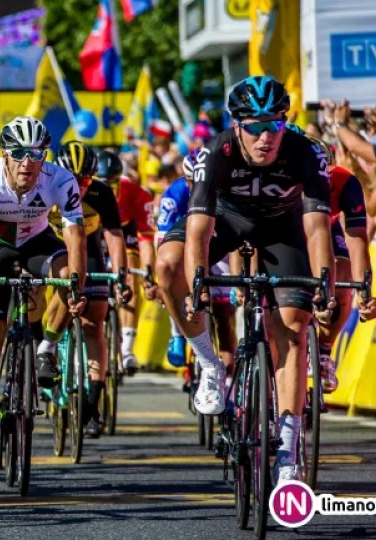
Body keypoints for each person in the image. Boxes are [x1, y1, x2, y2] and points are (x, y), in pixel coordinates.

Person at [155, 76, 336, 483]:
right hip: (227, 222)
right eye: (254, 126)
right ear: (236, 125)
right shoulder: (213, 153)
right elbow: (198, 231)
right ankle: (208, 362)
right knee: (167, 263)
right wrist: (198, 286)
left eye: (275, 123)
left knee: (291, 327)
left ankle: (288, 450)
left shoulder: (305, 151)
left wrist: (325, 284)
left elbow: (318, 229)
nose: (265, 135)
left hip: (282, 229)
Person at [0, 116, 86, 463]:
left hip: (37, 243)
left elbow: (75, 235)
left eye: (37, 154)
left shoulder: (60, 178)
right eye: (19, 153)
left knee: (67, 275)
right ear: (5, 153)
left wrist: (77, 287)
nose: (28, 162)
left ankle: (46, 346)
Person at [41, 141, 131, 439]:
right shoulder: (43, 186)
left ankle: (92, 405)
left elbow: (114, 236)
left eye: (85, 180)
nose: (79, 186)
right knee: (39, 306)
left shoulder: (101, 193)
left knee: (94, 322)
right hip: (49, 246)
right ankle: (40, 356)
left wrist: (121, 277)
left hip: (88, 248)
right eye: (73, 179)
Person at [305, 135, 375, 392]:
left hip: (329, 227)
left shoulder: (346, 182)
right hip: (289, 228)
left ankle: (324, 350)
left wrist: (364, 292)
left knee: (342, 276)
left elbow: (357, 241)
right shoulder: (282, 180)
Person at [156, 149, 236, 372]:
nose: (200, 187)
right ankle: (177, 333)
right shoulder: (174, 194)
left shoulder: (227, 190)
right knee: (171, 278)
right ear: (186, 179)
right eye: (193, 182)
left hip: (218, 242)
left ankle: (227, 378)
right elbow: (162, 239)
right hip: (185, 239)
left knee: (224, 315)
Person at [95, 150, 157, 374]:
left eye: (112, 185)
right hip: (95, 231)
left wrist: (148, 275)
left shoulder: (138, 195)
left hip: (125, 230)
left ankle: (128, 349)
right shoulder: (84, 191)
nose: (107, 190)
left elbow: (146, 241)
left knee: (130, 267)